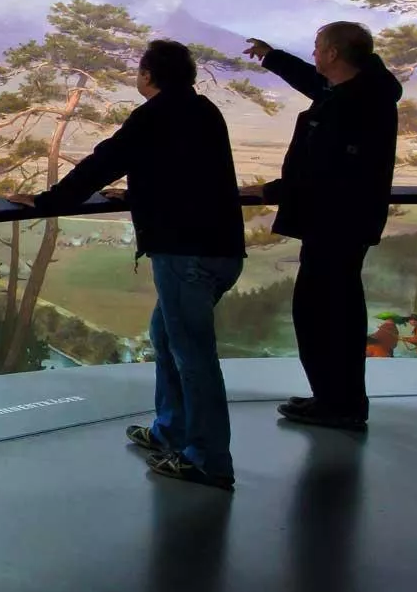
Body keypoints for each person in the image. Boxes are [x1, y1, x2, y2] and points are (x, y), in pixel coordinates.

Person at [18, 38, 246, 489]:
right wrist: (141, 193)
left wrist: (48, 202)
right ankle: (172, 431)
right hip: (222, 249)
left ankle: (208, 459)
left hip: (185, 255)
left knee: (193, 356)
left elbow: (102, 163)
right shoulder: (205, 112)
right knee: (167, 337)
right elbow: (189, 177)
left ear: (147, 77)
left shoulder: (153, 116)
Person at [246, 23, 402, 431]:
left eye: (318, 48)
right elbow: (315, 82)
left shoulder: (354, 104)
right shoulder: (362, 92)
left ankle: (337, 404)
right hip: (341, 223)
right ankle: (338, 398)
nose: (314, 54)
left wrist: (274, 190)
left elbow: (327, 169)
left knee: (321, 314)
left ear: (333, 54)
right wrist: (272, 56)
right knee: (336, 313)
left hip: (335, 223)